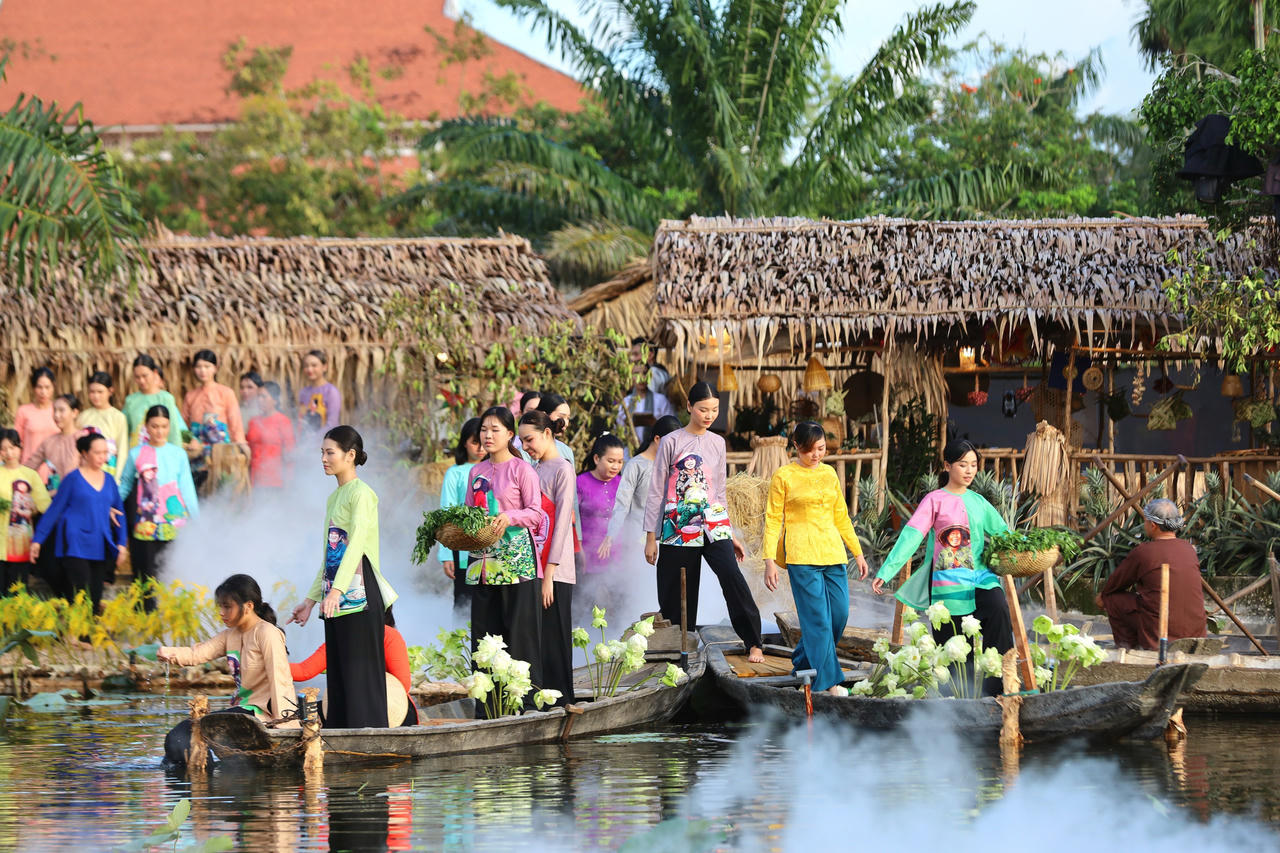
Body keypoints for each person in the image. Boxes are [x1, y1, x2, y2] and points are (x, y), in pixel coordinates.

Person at [872, 439, 1013, 697]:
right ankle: (960, 705)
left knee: (999, 608)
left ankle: (1000, 690)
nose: (969, 471)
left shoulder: (979, 502)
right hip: (946, 585)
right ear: (947, 466)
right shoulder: (934, 500)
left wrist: (1036, 549)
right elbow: (911, 536)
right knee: (957, 651)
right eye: (963, 465)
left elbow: (1005, 534)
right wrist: (886, 571)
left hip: (980, 579)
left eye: (973, 465)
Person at [643, 382, 763, 662]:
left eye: (714, 410)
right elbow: (657, 489)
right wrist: (651, 535)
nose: (709, 415)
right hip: (677, 521)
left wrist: (729, 532)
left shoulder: (718, 443)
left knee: (732, 575)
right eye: (703, 409)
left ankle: (754, 641)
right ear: (689, 407)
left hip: (713, 520)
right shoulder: (671, 442)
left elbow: (719, 490)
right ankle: (678, 648)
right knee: (677, 586)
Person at [289, 426, 398, 729]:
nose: (323, 458)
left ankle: (372, 739)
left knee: (360, 672)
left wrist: (336, 591)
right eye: (322, 453)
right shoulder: (335, 497)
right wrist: (312, 600)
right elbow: (330, 556)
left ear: (350, 456)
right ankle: (342, 736)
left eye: (329, 452)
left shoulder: (362, 494)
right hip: (336, 596)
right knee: (338, 672)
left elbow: (358, 544)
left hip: (359, 593)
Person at [762, 422, 868, 696]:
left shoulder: (830, 474)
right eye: (810, 450)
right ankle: (831, 683)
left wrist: (857, 552)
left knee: (839, 614)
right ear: (796, 447)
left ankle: (802, 661)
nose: (816, 454)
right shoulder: (783, 476)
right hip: (800, 554)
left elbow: (841, 516)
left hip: (832, 552)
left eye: (821, 448)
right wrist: (769, 560)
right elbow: (773, 520)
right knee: (818, 619)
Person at [158, 574, 298, 765]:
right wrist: (169, 653)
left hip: (261, 714)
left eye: (227, 606)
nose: (222, 613)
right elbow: (197, 653)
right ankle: (195, 778)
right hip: (240, 710)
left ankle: (202, 780)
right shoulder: (230, 635)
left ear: (248, 606)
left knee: (184, 734)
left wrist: (286, 725)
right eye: (220, 607)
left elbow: (280, 679)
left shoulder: (267, 633)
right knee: (177, 738)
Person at [465, 406, 545, 713]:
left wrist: (508, 517)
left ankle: (526, 707)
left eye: (495, 430)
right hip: (482, 564)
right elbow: (469, 514)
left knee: (519, 635)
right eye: (484, 429)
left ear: (509, 435)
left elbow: (536, 514)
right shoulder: (476, 472)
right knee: (485, 640)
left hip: (516, 563)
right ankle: (489, 709)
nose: (487, 435)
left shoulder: (522, 469)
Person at [30, 432, 127, 613]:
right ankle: (79, 637)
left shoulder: (109, 481)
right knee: (80, 591)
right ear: (84, 453)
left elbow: (119, 512)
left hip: (99, 544)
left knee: (96, 594)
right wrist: (38, 540)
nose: (103, 457)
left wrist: (121, 543)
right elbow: (54, 510)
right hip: (75, 543)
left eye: (105, 452)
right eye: (97, 453)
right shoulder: (73, 479)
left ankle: (83, 636)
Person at [518, 410, 576, 707]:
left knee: (555, 638)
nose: (527, 446)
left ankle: (563, 700)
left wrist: (550, 574)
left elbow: (563, 523)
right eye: (523, 441)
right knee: (537, 638)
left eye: (530, 440)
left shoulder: (562, 469)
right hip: (535, 564)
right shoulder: (534, 468)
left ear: (548, 434)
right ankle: (541, 700)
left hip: (556, 568)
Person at [117, 405, 199, 611]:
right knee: (146, 570)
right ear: (147, 427)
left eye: (163, 426)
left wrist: (196, 517)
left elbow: (186, 486)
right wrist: (109, 504)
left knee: (171, 567)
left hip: (174, 519)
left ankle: (171, 614)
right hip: (146, 521)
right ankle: (147, 615)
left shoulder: (178, 454)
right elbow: (126, 483)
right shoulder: (136, 454)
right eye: (154, 426)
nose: (159, 431)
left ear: (169, 426)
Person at [1096, 499, 1207, 650]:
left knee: (1109, 599)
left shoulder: (1143, 551)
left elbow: (1113, 586)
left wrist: (1102, 598)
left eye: (1146, 522)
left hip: (1160, 633)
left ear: (1153, 525)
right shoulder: (1189, 549)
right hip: (1196, 632)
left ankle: (1129, 648)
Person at [291, 606, 418, 726]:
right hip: (369, 706)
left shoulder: (386, 635)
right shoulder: (387, 634)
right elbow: (303, 671)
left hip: (391, 710)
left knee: (310, 713)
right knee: (309, 712)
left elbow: (303, 671)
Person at [600, 415, 682, 562]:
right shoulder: (635, 465)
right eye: (672, 444)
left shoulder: (674, 467)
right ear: (657, 439)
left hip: (668, 539)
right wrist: (611, 535)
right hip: (639, 540)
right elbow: (622, 504)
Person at [183, 349, 248, 489]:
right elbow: (184, 428)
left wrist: (242, 448)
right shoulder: (190, 396)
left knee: (222, 492)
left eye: (207, 367)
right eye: (199, 367)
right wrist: (189, 442)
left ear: (215, 368)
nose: (202, 371)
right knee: (199, 491)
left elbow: (235, 424)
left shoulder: (226, 393)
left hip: (221, 454)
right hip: (197, 455)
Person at [439, 417, 482, 618]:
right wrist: (446, 554)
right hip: (463, 550)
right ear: (465, 442)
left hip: (492, 551)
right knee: (464, 604)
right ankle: (460, 646)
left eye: (483, 441)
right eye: (475, 442)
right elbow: (446, 513)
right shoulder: (455, 473)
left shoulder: (496, 470)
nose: (480, 448)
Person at [0, 428, 51, 592]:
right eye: (3, 448)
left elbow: (45, 505)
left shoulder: (30, 475)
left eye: (12, 447)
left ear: (20, 447)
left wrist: (30, 508)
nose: (9, 453)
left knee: (18, 591)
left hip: (20, 540)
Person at [577, 434, 625, 574]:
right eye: (611, 461)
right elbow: (572, 520)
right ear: (597, 458)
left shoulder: (623, 483)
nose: (616, 466)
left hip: (618, 554)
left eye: (620, 461)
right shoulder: (580, 482)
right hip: (588, 554)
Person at [123, 355, 187, 448]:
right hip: (137, 453)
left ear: (154, 373)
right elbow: (125, 430)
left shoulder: (166, 398)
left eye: (145, 376)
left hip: (162, 451)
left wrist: (176, 453)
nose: (141, 380)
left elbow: (173, 430)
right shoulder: (130, 401)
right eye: (137, 377)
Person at [245, 382, 296, 492]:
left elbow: (290, 455)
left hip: (275, 482)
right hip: (254, 480)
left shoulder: (283, 421)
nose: (259, 400)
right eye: (258, 396)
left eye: (263, 396)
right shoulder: (253, 422)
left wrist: (289, 482)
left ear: (275, 400)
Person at [78, 372, 129, 476]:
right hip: (85, 471)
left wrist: (118, 479)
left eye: (100, 392)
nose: (96, 396)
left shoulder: (118, 417)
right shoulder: (83, 417)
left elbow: (122, 450)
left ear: (110, 391)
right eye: (92, 392)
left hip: (109, 470)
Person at [28, 394, 81, 493]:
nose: (56, 415)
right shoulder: (49, 442)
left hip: (78, 499)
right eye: (55, 410)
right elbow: (29, 466)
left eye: (61, 410)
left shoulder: (83, 439)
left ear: (74, 413)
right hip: (53, 500)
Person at [618, 360, 675, 447]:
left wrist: (656, 425)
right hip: (629, 452)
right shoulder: (625, 403)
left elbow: (672, 428)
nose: (641, 378)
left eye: (644, 373)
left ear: (649, 376)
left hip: (655, 451)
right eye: (636, 374)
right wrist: (629, 438)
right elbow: (619, 429)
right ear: (630, 377)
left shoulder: (661, 400)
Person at [16, 367, 57, 467]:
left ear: (53, 387)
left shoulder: (59, 410)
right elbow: (17, 442)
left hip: (55, 469)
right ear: (33, 388)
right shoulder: (23, 411)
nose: (43, 392)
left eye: (47, 387)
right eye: (39, 387)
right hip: (29, 467)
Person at [297, 350, 342, 434]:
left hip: (325, 443)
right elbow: (301, 421)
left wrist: (313, 440)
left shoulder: (331, 392)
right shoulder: (303, 392)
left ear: (324, 367)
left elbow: (332, 424)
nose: (309, 369)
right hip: (304, 443)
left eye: (314, 365)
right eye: (306, 366)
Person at [532, 393, 575, 468]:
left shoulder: (566, 451)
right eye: (561, 416)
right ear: (544, 415)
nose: (566, 423)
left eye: (568, 418)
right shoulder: (529, 448)